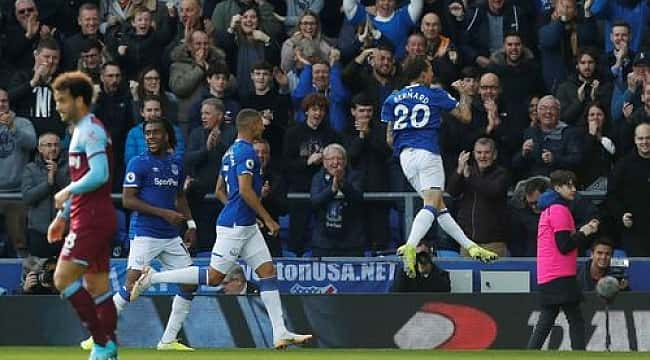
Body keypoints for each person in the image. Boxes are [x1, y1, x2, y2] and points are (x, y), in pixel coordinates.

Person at [131, 109, 313, 349]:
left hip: (244, 224)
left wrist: (247, 214)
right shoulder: (246, 152)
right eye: (260, 123)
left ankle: (280, 332)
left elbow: (219, 189)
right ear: (251, 125)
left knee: (268, 273)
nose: (263, 126)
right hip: (236, 225)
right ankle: (153, 278)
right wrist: (267, 218)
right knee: (214, 276)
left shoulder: (230, 152)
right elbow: (246, 190)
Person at [80, 118, 197, 352]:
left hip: (170, 235)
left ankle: (168, 341)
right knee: (131, 286)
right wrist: (164, 213)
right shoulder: (138, 163)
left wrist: (191, 224)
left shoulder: (176, 164)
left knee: (190, 284)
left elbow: (180, 197)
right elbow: (128, 200)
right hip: (145, 233)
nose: (151, 137)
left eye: (156, 133)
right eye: (148, 133)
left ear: (167, 136)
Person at [381, 56, 498, 278]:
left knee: (438, 206)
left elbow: (389, 138)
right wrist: (463, 93)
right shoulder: (434, 93)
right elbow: (465, 116)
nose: (432, 74)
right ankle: (411, 246)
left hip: (405, 158)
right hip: (427, 154)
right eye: (430, 70)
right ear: (423, 74)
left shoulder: (393, 98)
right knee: (432, 205)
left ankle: (470, 246)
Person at [47, 71, 118, 359]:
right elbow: (86, 175)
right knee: (98, 286)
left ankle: (101, 344)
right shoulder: (81, 130)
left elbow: (100, 175)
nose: (59, 107)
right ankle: (108, 350)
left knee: (62, 279)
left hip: (91, 217)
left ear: (79, 100)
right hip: (87, 215)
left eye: (63, 101)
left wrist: (65, 192)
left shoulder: (90, 130)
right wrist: (62, 215)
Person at [527, 170, 599, 350]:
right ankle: (578, 354)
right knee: (574, 320)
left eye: (574, 185)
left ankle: (530, 353)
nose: (573, 189)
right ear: (557, 188)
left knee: (550, 318)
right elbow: (565, 245)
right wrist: (585, 231)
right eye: (569, 185)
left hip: (551, 272)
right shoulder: (559, 210)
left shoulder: (550, 208)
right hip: (559, 273)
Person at [447, 138, 510, 258]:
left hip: (494, 243)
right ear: (473, 154)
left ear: (494, 154)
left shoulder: (501, 173)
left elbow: (492, 191)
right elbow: (452, 191)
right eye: (479, 152)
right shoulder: (468, 171)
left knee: (494, 277)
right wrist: (459, 170)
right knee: (467, 276)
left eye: (487, 152)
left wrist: (469, 177)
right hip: (468, 243)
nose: (483, 156)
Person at [310, 143, 365, 257]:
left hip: (351, 243)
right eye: (331, 159)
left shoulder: (355, 176)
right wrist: (332, 190)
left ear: (345, 161)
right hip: (323, 244)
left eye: (339, 158)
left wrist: (342, 184)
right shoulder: (317, 178)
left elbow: (358, 200)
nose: (335, 163)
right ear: (324, 163)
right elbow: (315, 202)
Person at [0, 87, 37, 257]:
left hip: (16, 193)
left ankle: (25, 279)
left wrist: (13, 128)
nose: (2, 104)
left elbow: (32, 144)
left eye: (4, 101)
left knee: (20, 242)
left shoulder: (22, 123)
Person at [21, 132, 69, 258]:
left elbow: (75, 192)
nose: (53, 148)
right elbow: (27, 197)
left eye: (56, 145)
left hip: (64, 231)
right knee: (38, 273)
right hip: (39, 232)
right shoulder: (30, 169)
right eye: (48, 145)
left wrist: (57, 175)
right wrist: (48, 184)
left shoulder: (70, 167)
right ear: (40, 148)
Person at [606, 123, 650, 257]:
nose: (645, 142)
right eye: (641, 138)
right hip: (634, 230)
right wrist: (621, 215)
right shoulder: (623, 166)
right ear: (635, 140)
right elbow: (612, 196)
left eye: (648, 138)